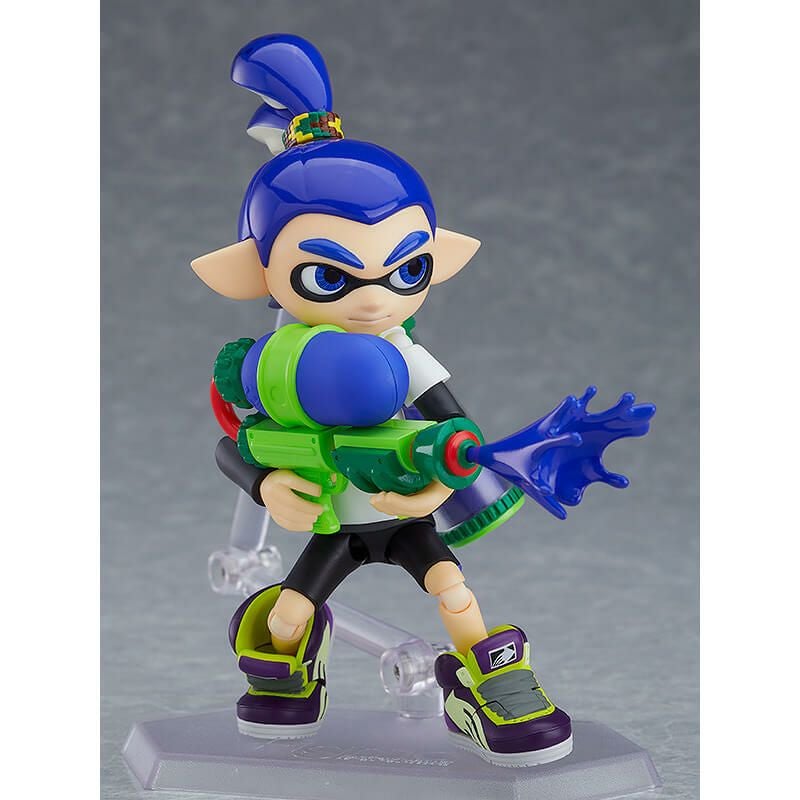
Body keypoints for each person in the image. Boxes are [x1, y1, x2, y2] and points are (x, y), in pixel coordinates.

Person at [192, 33, 573, 766]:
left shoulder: (402, 350)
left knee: (455, 594)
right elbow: (234, 446)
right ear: (258, 270)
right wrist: (268, 486)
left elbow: (457, 430)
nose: (374, 301)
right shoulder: (280, 365)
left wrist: (438, 483)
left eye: (405, 270)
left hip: (403, 515)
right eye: (330, 277)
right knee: (291, 613)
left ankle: (490, 687)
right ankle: (291, 676)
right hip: (336, 520)